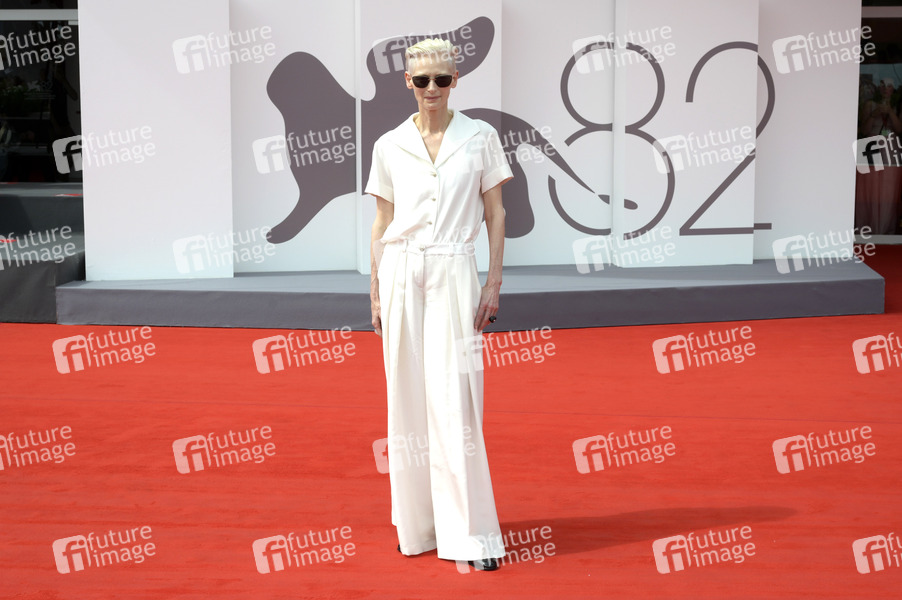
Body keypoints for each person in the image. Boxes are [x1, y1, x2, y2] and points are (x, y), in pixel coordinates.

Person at [366, 38, 512, 571]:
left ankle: (470, 534)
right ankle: (418, 528)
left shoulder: (480, 137)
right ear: (407, 81)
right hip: (401, 272)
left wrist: (493, 282)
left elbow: (496, 213)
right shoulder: (389, 144)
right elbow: (382, 222)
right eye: (423, 79)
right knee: (405, 401)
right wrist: (375, 291)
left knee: (457, 401)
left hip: (454, 270)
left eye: (442, 79)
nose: (433, 88)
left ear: (456, 81)